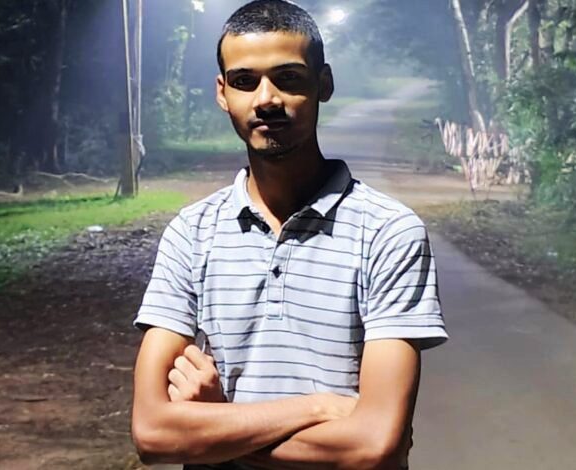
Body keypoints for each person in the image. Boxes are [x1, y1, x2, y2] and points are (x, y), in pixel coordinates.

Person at [131, 1, 448, 468]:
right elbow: (153, 433)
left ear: (324, 84)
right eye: (244, 81)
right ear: (222, 93)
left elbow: (373, 445)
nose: (266, 99)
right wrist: (317, 408)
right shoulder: (191, 233)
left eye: (288, 78)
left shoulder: (388, 232)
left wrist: (214, 427)